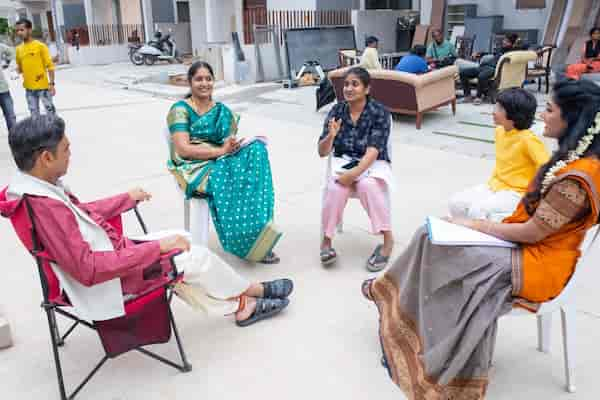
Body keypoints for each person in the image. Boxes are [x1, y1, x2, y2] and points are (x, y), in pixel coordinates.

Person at [361, 78, 600, 399]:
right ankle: (390, 297)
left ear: (574, 118)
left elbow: (533, 232)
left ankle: (430, 350)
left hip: (538, 264)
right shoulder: (570, 158)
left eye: (550, 109)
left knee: (449, 258)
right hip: (525, 247)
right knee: (430, 236)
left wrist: (474, 225)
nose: (543, 115)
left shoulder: (579, 176)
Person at [2, 115, 293, 326]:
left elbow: (80, 213)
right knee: (195, 256)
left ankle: (243, 298)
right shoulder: (44, 205)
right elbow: (88, 269)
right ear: (45, 158)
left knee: (185, 240)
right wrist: (156, 249)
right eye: (65, 149)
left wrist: (125, 199)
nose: (70, 153)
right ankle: (248, 297)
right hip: (109, 283)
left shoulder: (36, 189)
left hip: (111, 256)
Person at [167, 61, 282, 264]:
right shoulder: (180, 110)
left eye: (208, 79)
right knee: (226, 177)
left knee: (257, 153)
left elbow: (227, 142)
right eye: (199, 79)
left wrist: (233, 146)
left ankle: (257, 234)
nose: (204, 83)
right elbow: (183, 150)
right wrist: (220, 151)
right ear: (190, 82)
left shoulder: (221, 110)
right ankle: (242, 241)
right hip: (192, 165)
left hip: (219, 158)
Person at [318, 67, 394, 271]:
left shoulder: (379, 112)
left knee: (367, 186)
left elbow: (374, 151)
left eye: (355, 84)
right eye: (346, 84)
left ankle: (387, 242)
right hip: (343, 162)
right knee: (334, 189)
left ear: (367, 89)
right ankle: (326, 242)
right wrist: (331, 136)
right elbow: (322, 152)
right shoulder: (337, 111)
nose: (349, 89)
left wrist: (353, 174)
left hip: (373, 164)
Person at [449, 88, 550, 221]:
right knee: (455, 204)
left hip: (517, 192)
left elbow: (547, 168)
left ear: (514, 115)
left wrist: (535, 196)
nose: (493, 111)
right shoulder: (499, 131)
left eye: (500, 108)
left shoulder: (528, 139)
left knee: (477, 211)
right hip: (495, 185)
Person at [459, 33, 519, 105]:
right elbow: (492, 54)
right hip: (485, 66)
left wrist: (517, 42)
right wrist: (480, 54)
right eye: (504, 40)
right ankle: (467, 96)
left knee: (481, 76)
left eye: (506, 41)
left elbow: (525, 46)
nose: (503, 41)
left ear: (511, 43)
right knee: (463, 72)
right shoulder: (502, 48)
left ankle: (479, 97)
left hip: (494, 69)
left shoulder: (513, 51)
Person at [15, 18, 56, 116]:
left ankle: (56, 131)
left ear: (29, 30)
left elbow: (50, 67)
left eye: (22, 30)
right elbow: (20, 69)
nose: (19, 32)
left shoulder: (40, 46)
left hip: (43, 87)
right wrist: (16, 71)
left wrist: (52, 84)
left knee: (51, 114)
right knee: (34, 116)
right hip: (29, 89)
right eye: (17, 30)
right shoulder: (18, 49)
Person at [0, 43, 16, 132]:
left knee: (10, 116)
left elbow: (12, 52)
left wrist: (7, 62)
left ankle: (15, 138)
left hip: (2, 88)